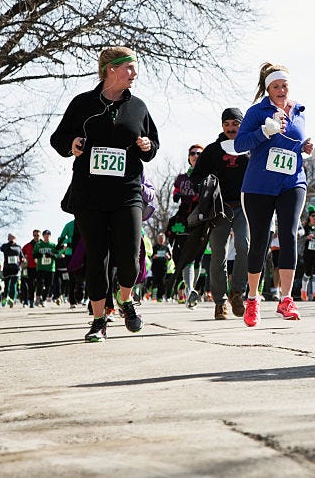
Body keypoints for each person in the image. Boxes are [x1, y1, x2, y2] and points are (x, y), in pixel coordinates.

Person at [50, 46, 158, 342]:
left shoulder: (138, 107)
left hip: (127, 192)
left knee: (130, 258)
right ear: (111, 69)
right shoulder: (82, 103)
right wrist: (70, 143)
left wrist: (148, 146)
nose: (135, 74)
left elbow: (153, 145)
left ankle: (125, 298)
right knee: (96, 259)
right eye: (130, 68)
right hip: (90, 192)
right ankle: (99, 320)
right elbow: (57, 139)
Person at [234, 62, 314, 326]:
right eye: (276, 86)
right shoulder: (257, 112)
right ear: (268, 89)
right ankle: (253, 299)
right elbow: (239, 143)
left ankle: (286, 298)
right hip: (259, 185)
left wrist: (308, 146)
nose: (281, 90)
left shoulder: (299, 111)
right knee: (260, 240)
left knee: (290, 232)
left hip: (292, 181)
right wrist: (264, 131)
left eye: (284, 86)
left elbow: (297, 141)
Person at [189, 107, 251, 319]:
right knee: (219, 255)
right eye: (227, 124)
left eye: (235, 124)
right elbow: (196, 177)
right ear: (222, 126)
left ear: (242, 125)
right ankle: (220, 301)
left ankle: (237, 292)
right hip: (220, 209)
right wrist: (206, 188)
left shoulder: (250, 147)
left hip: (243, 206)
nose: (231, 128)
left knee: (245, 247)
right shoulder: (213, 150)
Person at [166, 144, 204, 306]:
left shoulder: (206, 175)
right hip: (183, 219)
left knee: (197, 258)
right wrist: (177, 195)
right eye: (192, 153)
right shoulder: (182, 178)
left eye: (199, 153)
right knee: (185, 255)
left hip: (201, 218)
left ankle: (192, 288)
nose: (195, 155)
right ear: (189, 157)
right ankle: (189, 292)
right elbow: (175, 194)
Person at [33, 230, 58, 307]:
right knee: (40, 283)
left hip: (50, 268)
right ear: (43, 236)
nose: (47, 237)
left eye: (48, 235)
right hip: (41, 267)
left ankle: (43, 299)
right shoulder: (38, 245)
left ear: (50, 236)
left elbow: (57, 255)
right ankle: (38, 297)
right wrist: (39, 255)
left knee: (49, 285)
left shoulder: (53, 245)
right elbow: (34, 255)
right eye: (45, 235)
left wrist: (51, 254)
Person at [0, 234, 22, 307]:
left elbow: (21, 257)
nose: (11, 239)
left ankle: (12, 299)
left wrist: (23, 261)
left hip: (16, 268)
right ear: (8, 238)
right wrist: (9, 244)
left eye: (13, 238)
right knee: (7, 285)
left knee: (14, 285)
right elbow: (2, 249)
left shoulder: (18, 247)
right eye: (10, 238)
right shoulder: (5, 246)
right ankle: (5, 298)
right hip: (7, 268)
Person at [149, 232, 171, 301]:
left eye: (162, 239)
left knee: (162, 282)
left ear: (164, 239)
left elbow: (170, 257)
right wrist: (153, 256)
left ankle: (160, 297)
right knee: (155, 281)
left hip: (163, 267)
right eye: (160, 239)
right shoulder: (154, 247)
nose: (161, 240)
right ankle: (153, 295)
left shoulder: (166, 248)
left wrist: (168, 257)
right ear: (157, 239)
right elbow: (150, 256)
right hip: (155, 267)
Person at [21, 229, 40, 307]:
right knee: (31, 285)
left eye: (37, 235)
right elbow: (20, 253)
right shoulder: (28, 245)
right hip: (30, 267)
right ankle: (31, 301)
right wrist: (22, 260)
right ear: (33, 235)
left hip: (40, 268)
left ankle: (40, 298)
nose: (36, 237)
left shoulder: (42, 244)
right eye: (35, 235)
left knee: (39, 284)